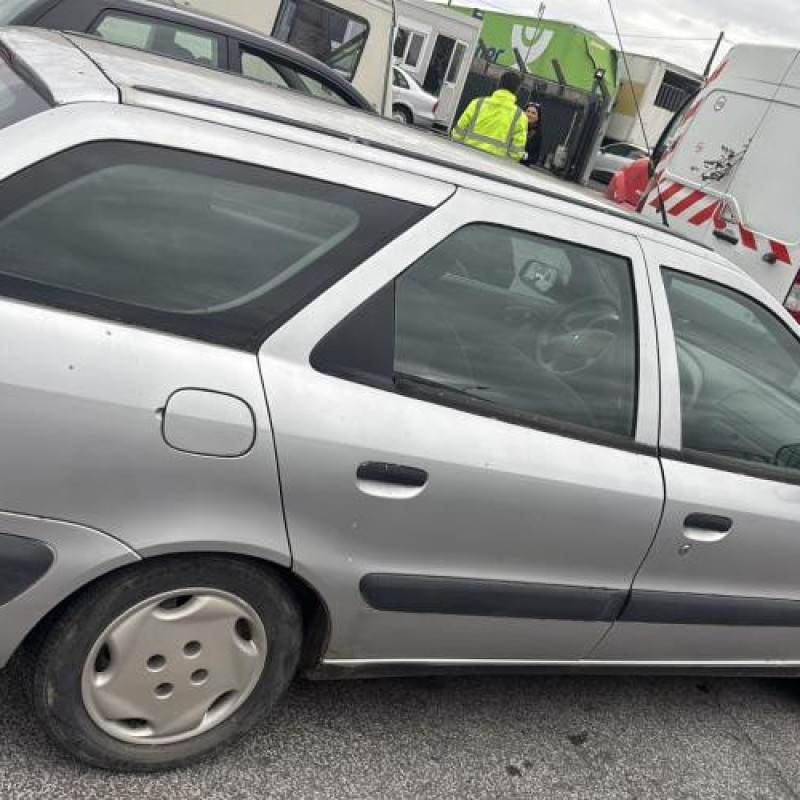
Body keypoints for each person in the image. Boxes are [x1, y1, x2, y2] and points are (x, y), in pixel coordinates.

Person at [451, 71, 528, 162]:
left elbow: (457, 134)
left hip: (467, 156)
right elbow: (516, 153)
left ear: (499, 84)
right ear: (517, 90)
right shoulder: (520, 116)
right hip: (494, 165)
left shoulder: (477, 103)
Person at [524, 102, 543, 167]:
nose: (529, 114)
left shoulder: (537, 134)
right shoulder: (516, 125)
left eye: (533, 113)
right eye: (528, 111)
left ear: (538, 117)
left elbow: (535, 158)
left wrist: (525, 157)